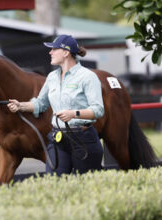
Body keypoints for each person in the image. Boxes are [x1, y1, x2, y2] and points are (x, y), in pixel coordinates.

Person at [7, 35, 104, 175]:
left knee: (85, 187)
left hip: (83, 139)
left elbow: (98, 110)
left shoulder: (87, 77)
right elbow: (40, 103)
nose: (50, 52)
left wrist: (73, 114)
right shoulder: (52, 77)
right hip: (58, 138)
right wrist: (20, 106)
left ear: (66, 52)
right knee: (53, 182)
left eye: (54, 49)